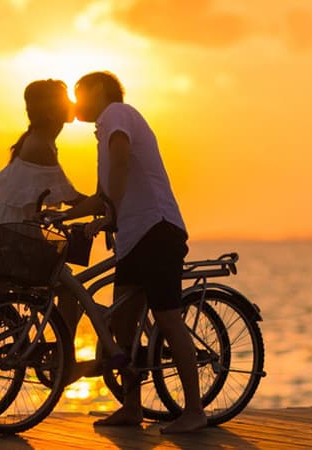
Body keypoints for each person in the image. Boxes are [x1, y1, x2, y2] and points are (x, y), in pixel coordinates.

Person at [52, 71, 207, 433]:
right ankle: (132, 407)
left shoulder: (117, 114)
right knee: (124, 324)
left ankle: (195, 410)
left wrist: (110, 211)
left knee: (167, 317)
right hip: (133, 238)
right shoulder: (104, 131)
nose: (76, 102)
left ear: (100, 90)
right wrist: (63, 214)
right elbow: (101, 194)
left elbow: (121, 163)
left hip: (156, 229)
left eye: (79, 92)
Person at [0, 79, 85, 410]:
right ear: (52, 108)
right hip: (15, 235)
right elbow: (68, 194)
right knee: (70, 292)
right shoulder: (40, 145)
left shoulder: (40, 140)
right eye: (66, 99)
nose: (72, 103)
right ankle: (63, 357)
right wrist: (106, 203)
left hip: (5, 230)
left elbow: (52, 195)